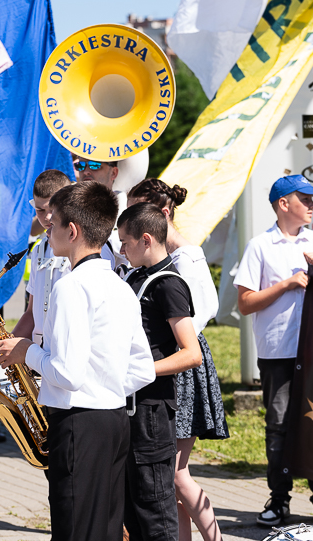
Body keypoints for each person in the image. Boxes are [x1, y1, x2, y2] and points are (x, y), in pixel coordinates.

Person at [0, 181, 156, 541]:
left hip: (79, 424)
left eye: (53, 224)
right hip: (113, 420)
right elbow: (142, 368)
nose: (47, 229)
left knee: (75, 530)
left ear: (73, 230)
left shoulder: (70, 285)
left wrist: (25, 351)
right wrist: (104, 386)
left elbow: (66, 373)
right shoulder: (120, 284)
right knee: (106, 529)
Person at [233, 174, 313, 526]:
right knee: (278, 426)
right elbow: (245, 302)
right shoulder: (260, 246)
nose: (312, 206)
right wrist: (287, 284)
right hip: (278, 351)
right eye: (305, 199)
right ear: (283, 204)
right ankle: (279, 500)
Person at [126, 179, 228, 541]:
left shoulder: (185, 257)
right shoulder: (144, 268)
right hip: (165, 361)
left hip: (179, 364)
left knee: (174, 472)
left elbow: (201, 312)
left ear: (160, 216)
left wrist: (161, 346)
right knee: (168, 475)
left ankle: (214, 538)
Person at [117, 202, 203, 541]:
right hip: (129, 408)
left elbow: (191, 354)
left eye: (125, 242)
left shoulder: (168, 284)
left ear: (146, 239)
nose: (121, 250)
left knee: (155, 508)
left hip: (152, 411)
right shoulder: (136, 276)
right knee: (133, 508)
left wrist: (139, 371)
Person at [13, 170, 73, 347]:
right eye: (39, 210)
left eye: (52, 210)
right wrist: (9, 342)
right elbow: (32, 312)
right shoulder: (39, 248)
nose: (47, 217)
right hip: (40, 353)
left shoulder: (83, 246)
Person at [72, 154, 129, 269]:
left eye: (95, 165)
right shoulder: (68, 207)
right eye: (81, 165)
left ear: (113, 173)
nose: (86, 171)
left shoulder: (127, 211)